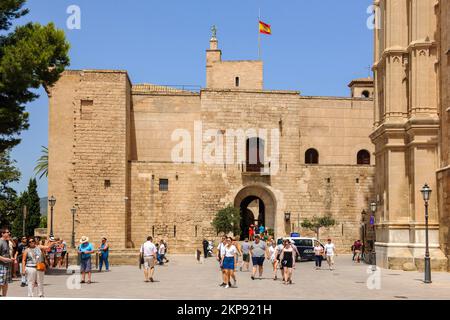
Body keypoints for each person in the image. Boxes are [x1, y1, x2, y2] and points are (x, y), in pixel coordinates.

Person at [0, 228, 15, 297]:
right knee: (1, 283)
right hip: (1, 266)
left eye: (9, 232)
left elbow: (14, 245)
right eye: (7, 232)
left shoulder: (7, 241)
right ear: (2, 234)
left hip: (7, 265)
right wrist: (7, 259)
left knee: (5, 283)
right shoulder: (0, 242)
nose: (9, 233)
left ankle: (4, 297)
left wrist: (10, 258)